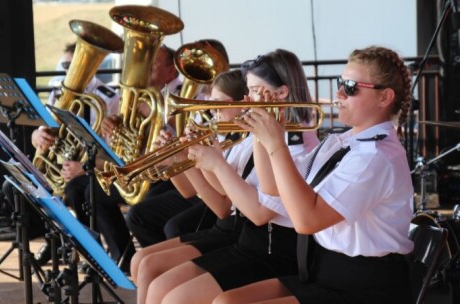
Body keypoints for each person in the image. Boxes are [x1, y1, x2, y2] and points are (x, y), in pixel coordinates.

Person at [214, 45, 414, 304]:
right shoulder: (343, 141)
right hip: (323, 270)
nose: (339, 92)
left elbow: (307, 221)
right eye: (341, 82)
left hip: (364, 287)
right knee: (226, 301)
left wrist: (276, 144)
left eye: (351, 86)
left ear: (385, 97)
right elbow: (274, 189)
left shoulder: (376, 157)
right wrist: (262, 134)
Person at [144, 49, 319, 304]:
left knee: (175, 297)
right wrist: (193, 160)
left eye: (256, 92)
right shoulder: (259, 137)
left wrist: (215, 164)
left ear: (281, 94)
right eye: (248, 92)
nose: (248, 101)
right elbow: (226, 199)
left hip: (274, 249)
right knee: (163, 285)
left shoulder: (298, 145)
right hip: (251, 241)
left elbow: (258, 212)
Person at [129, 69, 251, 303]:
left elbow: (221, 205)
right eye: (211, 104)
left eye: (219, 104)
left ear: (242, 103)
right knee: (141, 260)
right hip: (223, 225)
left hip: (234, 229)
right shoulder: (230, 139)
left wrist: (200, 160)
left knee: (150, 265)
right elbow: (188, 191)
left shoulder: (240, 142)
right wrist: (175, 159)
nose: (212, 111)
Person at [123, 41, 230, 248]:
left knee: (175, 226)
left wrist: (179, 155)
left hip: (218, 190)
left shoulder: (215, 107)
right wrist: (172, 156)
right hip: (198, 185)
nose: (199, 72)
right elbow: (188, 190)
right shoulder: (200, 109)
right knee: (138, 215)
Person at [32, 41, 121, 266]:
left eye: (74, 65)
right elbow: (44, 129)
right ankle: (58, 242)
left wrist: (83, 168)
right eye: (66, 64)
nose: (68, 70)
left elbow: (116, 151)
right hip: (64, 166)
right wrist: (38, 135)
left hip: (95, 169)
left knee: (75, 189)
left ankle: (91, 248)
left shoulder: (108, 97)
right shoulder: (57, 94)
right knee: (30, 186)